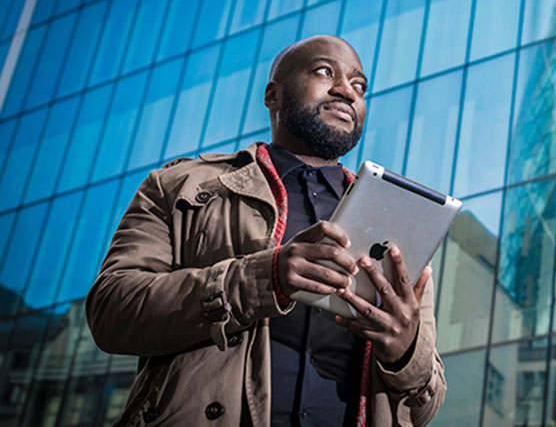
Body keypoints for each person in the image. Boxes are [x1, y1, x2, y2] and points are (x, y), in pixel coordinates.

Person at [86, 35, 446, 426]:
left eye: (359, 86)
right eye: (325, 72)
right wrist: (264, 278)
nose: (346, 90)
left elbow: (425, 407)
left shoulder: (399, 224)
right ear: (271, 94)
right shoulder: (179, 186)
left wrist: (405, 351)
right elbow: (111, 311)